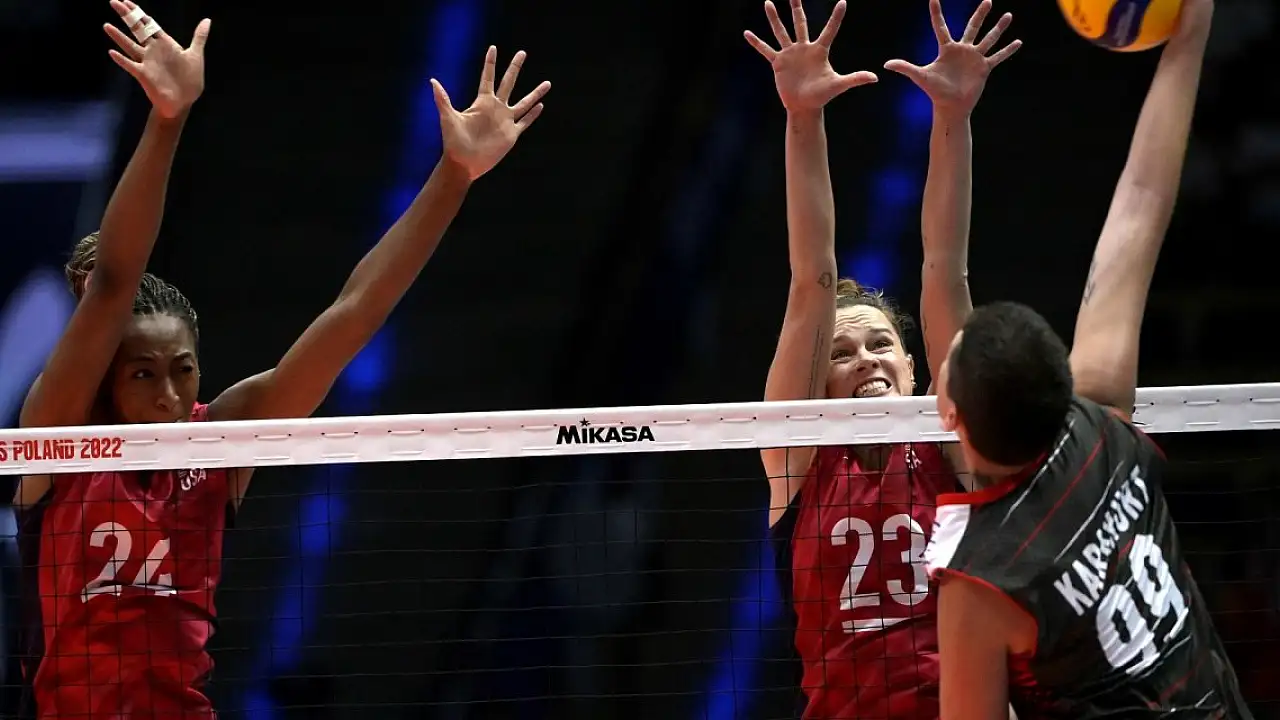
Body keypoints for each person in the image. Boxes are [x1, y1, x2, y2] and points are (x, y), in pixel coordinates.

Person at [10, 3, 551, 718]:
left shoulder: (220, 441)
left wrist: (454, 176)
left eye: (184, 369)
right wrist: (168, 119)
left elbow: (352, 314)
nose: (171, 394)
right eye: (143, 374)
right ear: (105, 377)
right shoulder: (58, 438)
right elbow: (112, 283)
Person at [924, 1, 1252, 717]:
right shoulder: (1102, 429)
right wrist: (1191, 31)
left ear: (951, 415)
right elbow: (1141, 201)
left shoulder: (980, 580)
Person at [746, 0, 1018, 716]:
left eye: (880, 345)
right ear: (817, 387)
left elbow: (944, 273)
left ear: (915, 372)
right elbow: (811, 281)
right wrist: (803, 118)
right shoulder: (797, 463)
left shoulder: (951, 448)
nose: (866, 359)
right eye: (841, 353)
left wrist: (952, 119)